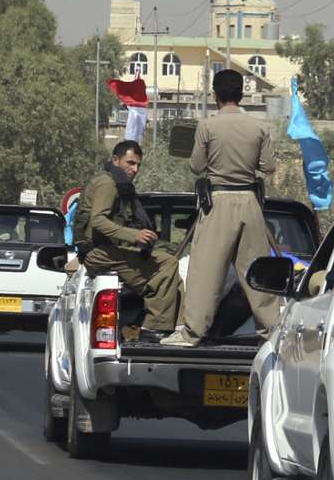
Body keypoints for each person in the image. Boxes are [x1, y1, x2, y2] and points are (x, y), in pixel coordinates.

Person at [163, 68, 283, 346]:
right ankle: (272, 332)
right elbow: (269, 167)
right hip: (250, 203)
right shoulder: (260, 127)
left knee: (205, 270)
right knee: (257, 269)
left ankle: (193, 332)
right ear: (241, 94)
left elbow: (196, 166)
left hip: (218, 202)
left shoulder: (207, 126)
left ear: (215, 95)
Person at [75, 140, 180, 340]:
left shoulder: (119, 185)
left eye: (138, 165)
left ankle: (178, 327)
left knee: (170, 273)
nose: (135, 169)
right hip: (99, 253)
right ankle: (153, 328)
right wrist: (134, 236)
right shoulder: (107, 183)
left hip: (108, 251)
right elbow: (98, 220)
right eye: (130, 163)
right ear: (115, 160)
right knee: (167, 263)